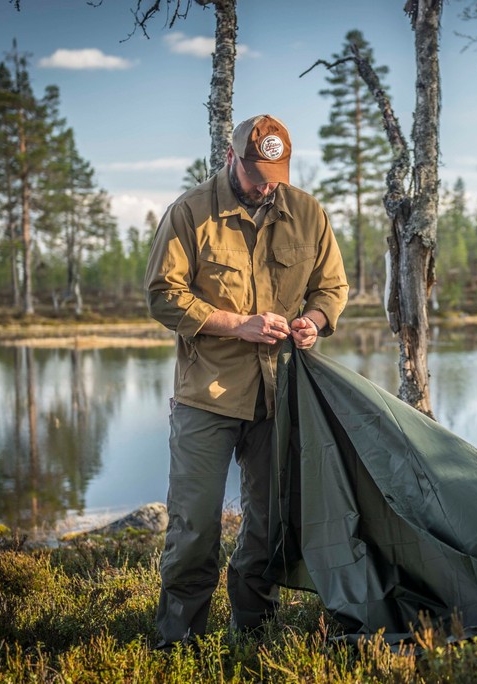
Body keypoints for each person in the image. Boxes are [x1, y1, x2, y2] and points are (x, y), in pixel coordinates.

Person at [143, 114, 349, 647]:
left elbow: (332, 287)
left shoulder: (307, 213)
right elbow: (163, 295)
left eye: (275, 173)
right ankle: (177, 644)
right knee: (194, 527)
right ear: (232, 158)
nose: (265, 184)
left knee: (268, 524)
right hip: (206, 397)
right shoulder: (189, 213)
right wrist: (240, 324)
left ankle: (253, 635)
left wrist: (314, 322)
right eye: (257, 172)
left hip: (279, 395)